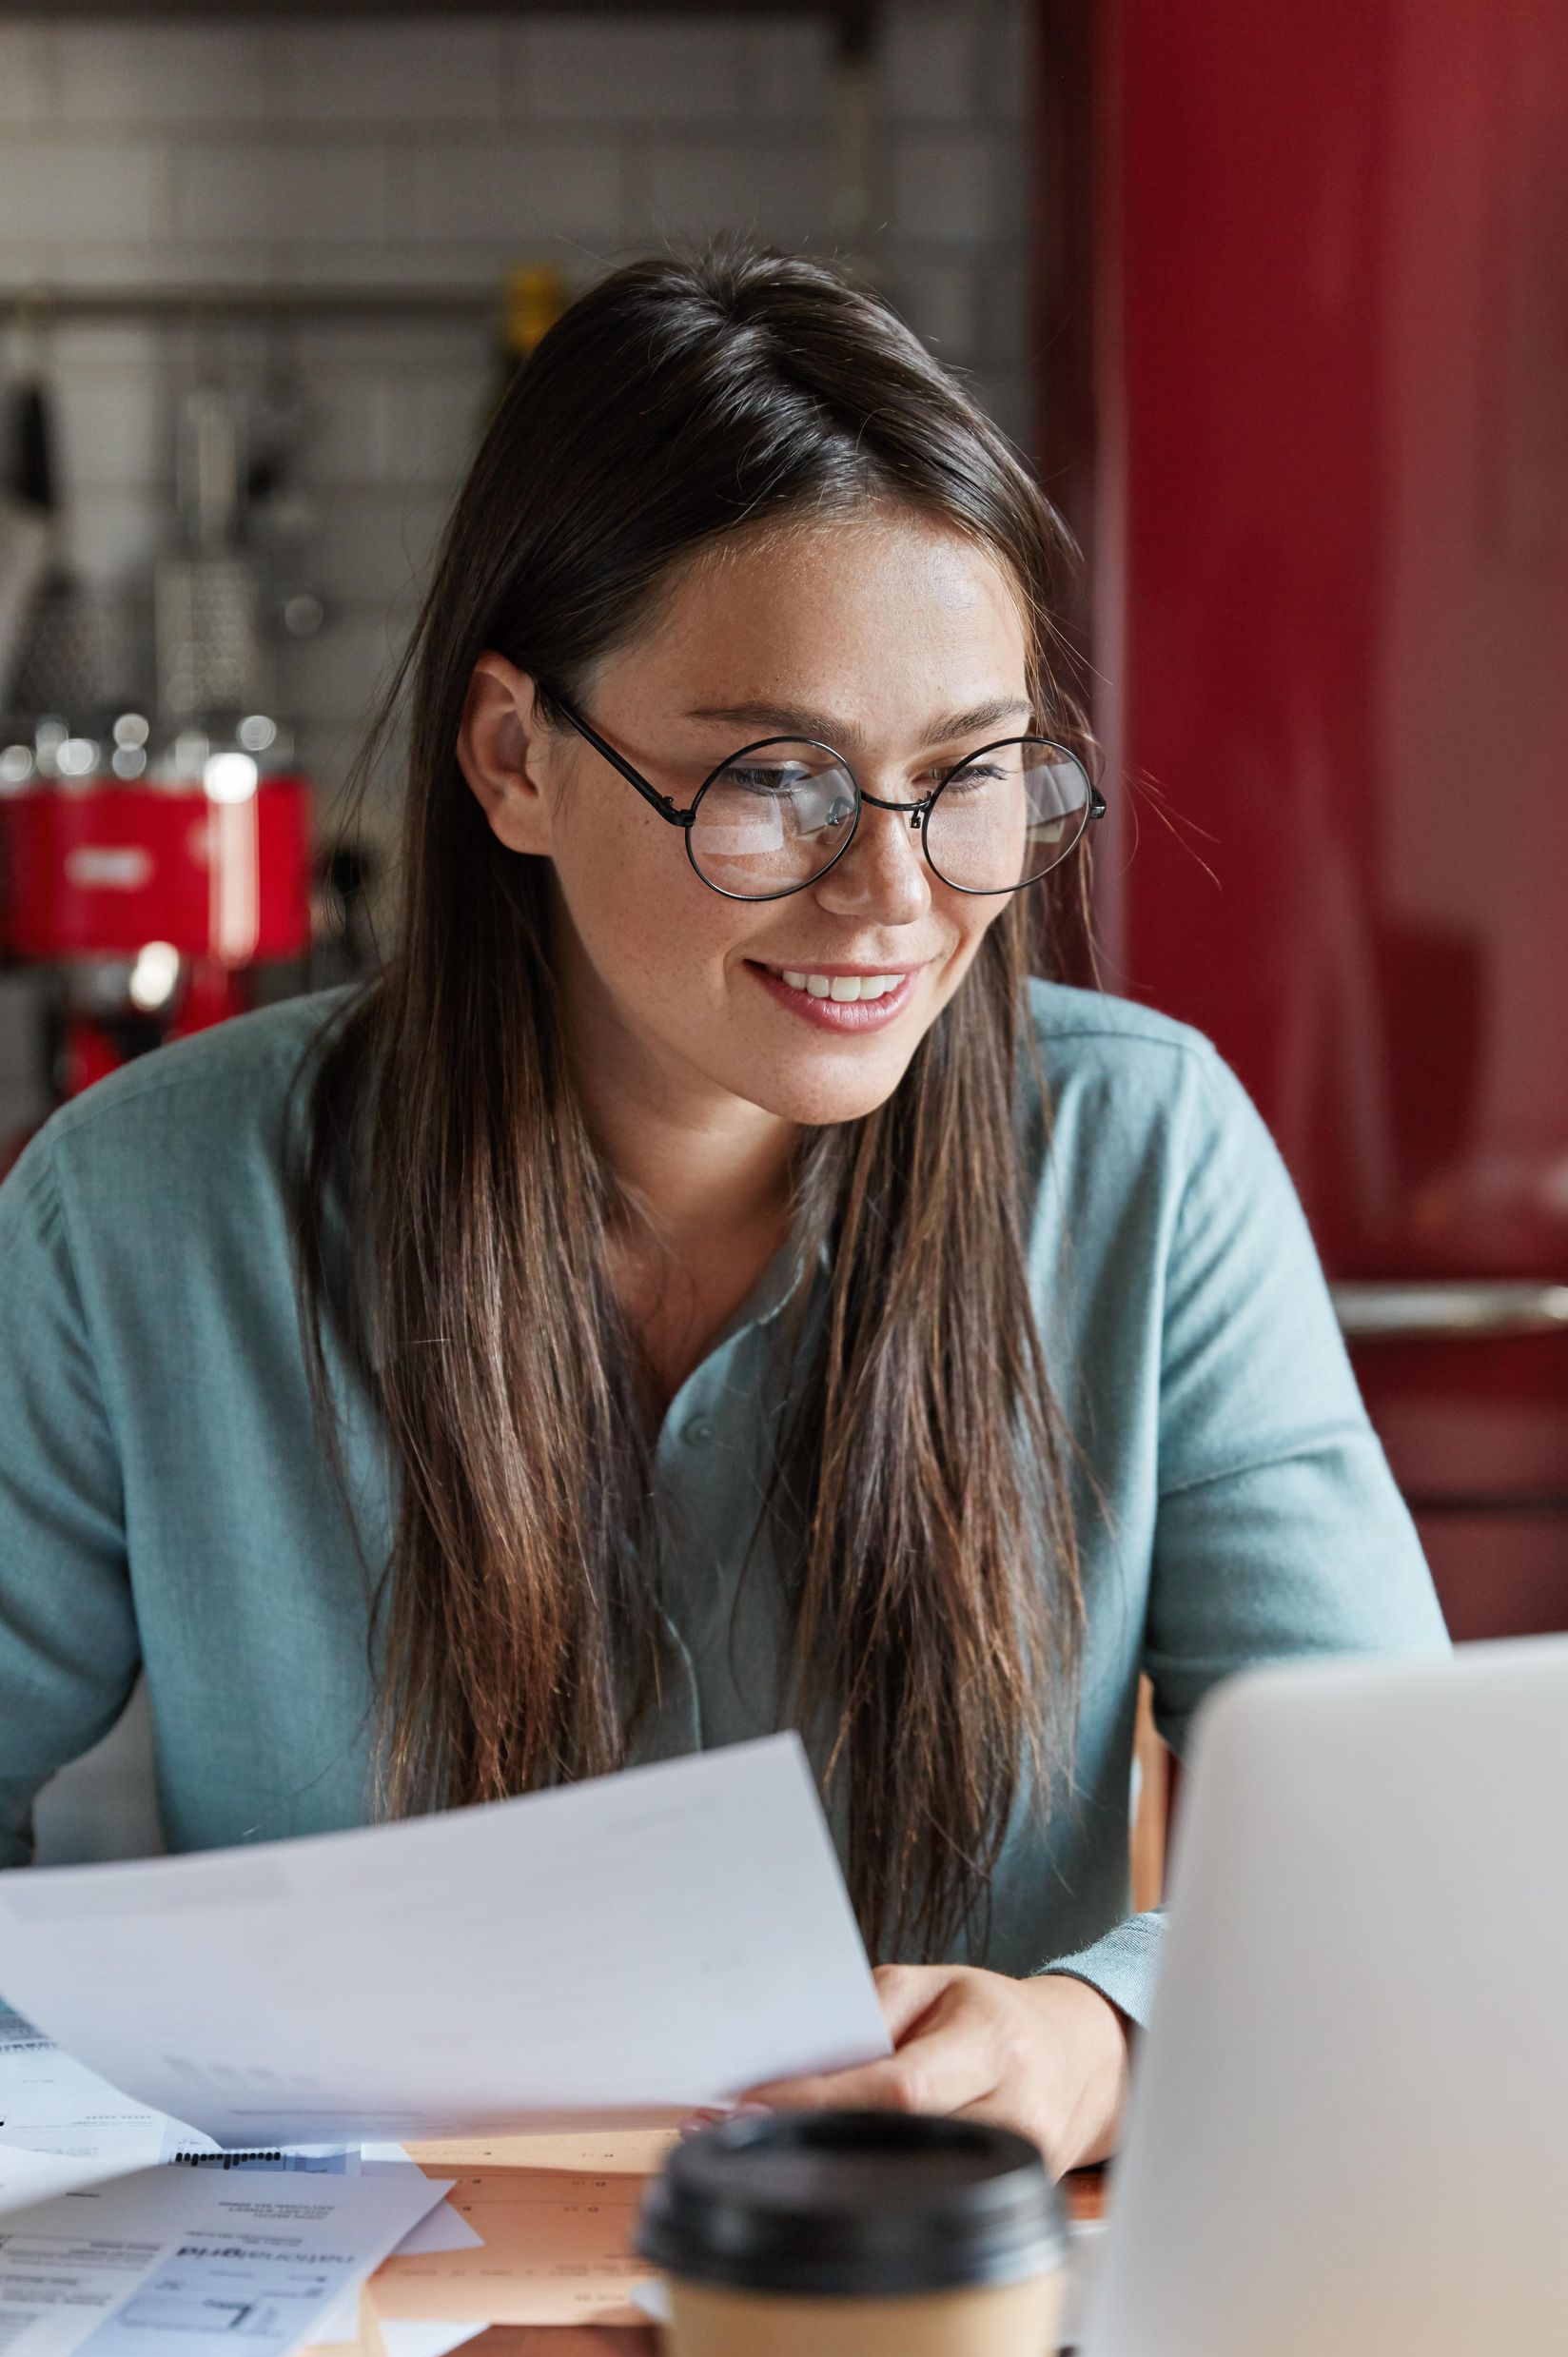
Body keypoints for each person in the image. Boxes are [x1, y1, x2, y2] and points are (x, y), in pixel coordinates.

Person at [0, 250, 1444, 2174]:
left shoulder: (1146, 1163)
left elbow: (1395, 1860)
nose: (896, 896)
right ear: (515, 757)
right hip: (354, 2313)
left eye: (972, 778)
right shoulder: (141, 1214)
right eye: (776, 782)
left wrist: (1101, 2037)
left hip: (934, 2299)